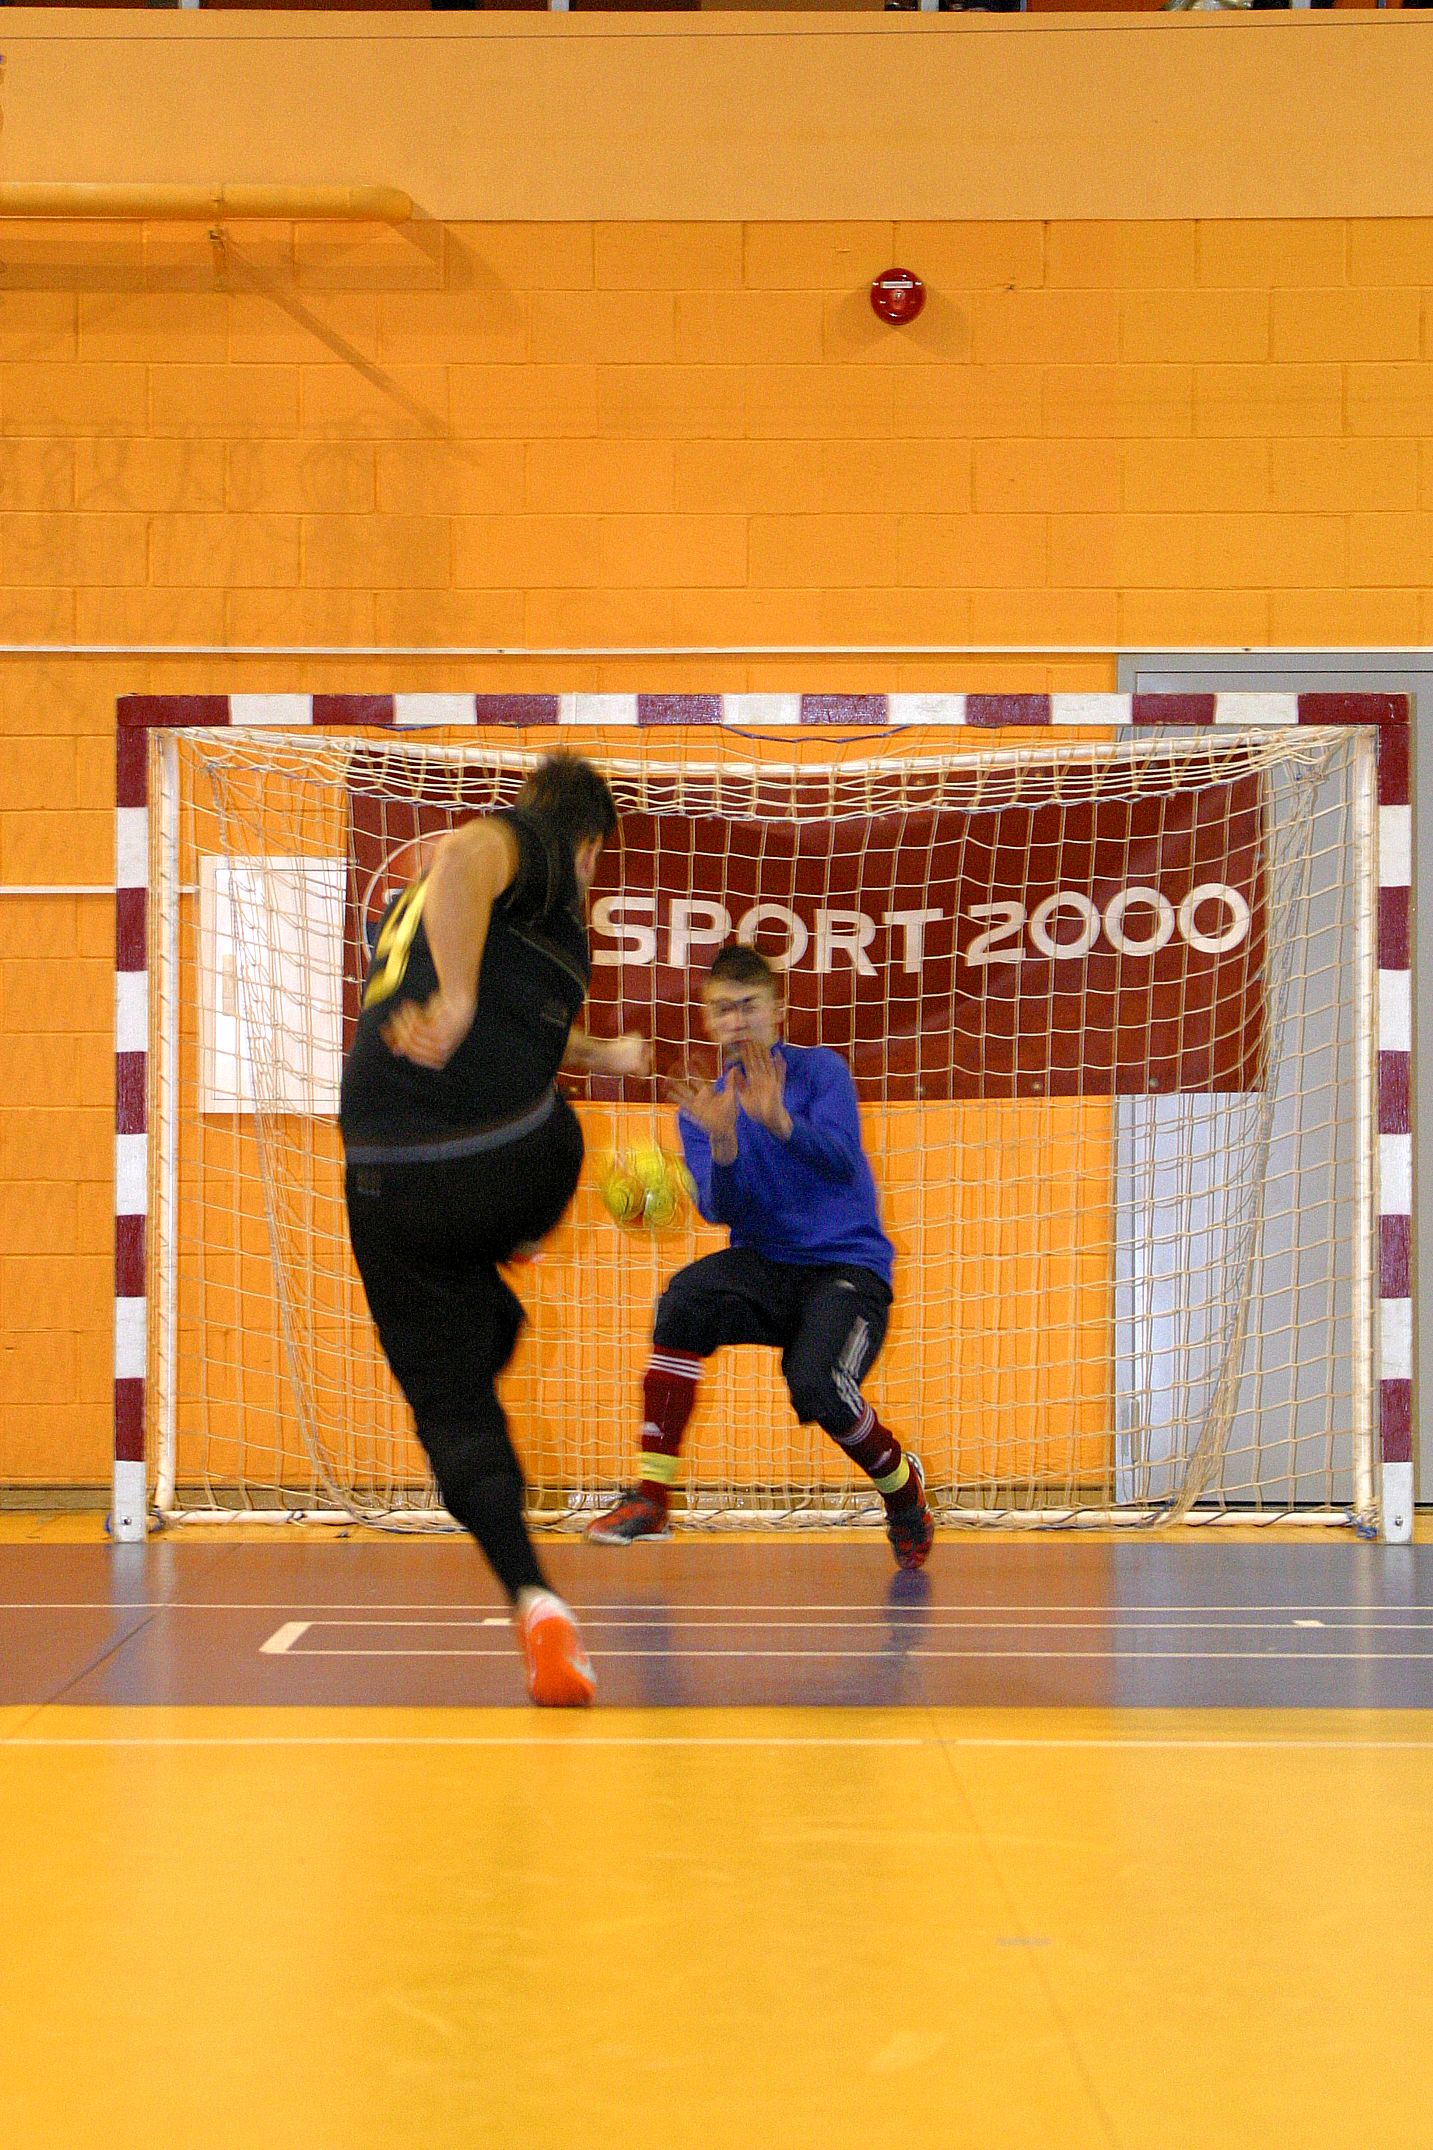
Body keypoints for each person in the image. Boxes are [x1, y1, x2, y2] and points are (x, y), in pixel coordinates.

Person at [341, 753, 646, 1705]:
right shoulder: (534, 842)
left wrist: (602, 1050)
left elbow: (515, 1016)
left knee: (455, 1410)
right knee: (564, 1138)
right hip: (502, 1157)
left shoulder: (436, 916)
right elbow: (470, 852)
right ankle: (515, 1249)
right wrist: (461, 1000)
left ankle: (534, 1602)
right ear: (586, 842)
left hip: (380, 1180)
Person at [587, 943, 934, 1570]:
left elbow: (841, 1163)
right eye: (724, 1009)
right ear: (708, 1020)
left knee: (816, 1383)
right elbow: (720, 1211)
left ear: (778, 1010)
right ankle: (652, 1497)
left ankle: (901, 1489)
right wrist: (722, 1141)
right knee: (683, 1301)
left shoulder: (821, 1072)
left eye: (749, 1006)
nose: (737, 1021)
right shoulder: (706, 1107)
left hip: (847, 1270)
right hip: (767, 1265)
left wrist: (778, 1122)